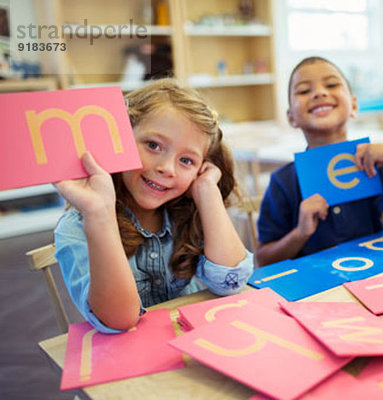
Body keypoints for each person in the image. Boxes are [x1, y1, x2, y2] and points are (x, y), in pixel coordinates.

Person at [54, 78, 253, 333]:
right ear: (119, 140)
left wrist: (207, 190)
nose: (166, 168)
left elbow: (231, 282)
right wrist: (98, 214)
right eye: (153, 145)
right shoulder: (78, 227)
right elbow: (120, 320)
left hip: (194, 345)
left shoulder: (188, 210)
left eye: (186, 161)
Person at [255, 56, 383, 267]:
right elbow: (263, 260)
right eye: (304, 91)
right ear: (291, 117)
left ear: (354, 105)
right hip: (314, 290)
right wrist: (300, 233)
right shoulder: (283, 182)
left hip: (373, 276)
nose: (319, 93)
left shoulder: (376, 165)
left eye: (331, 85)